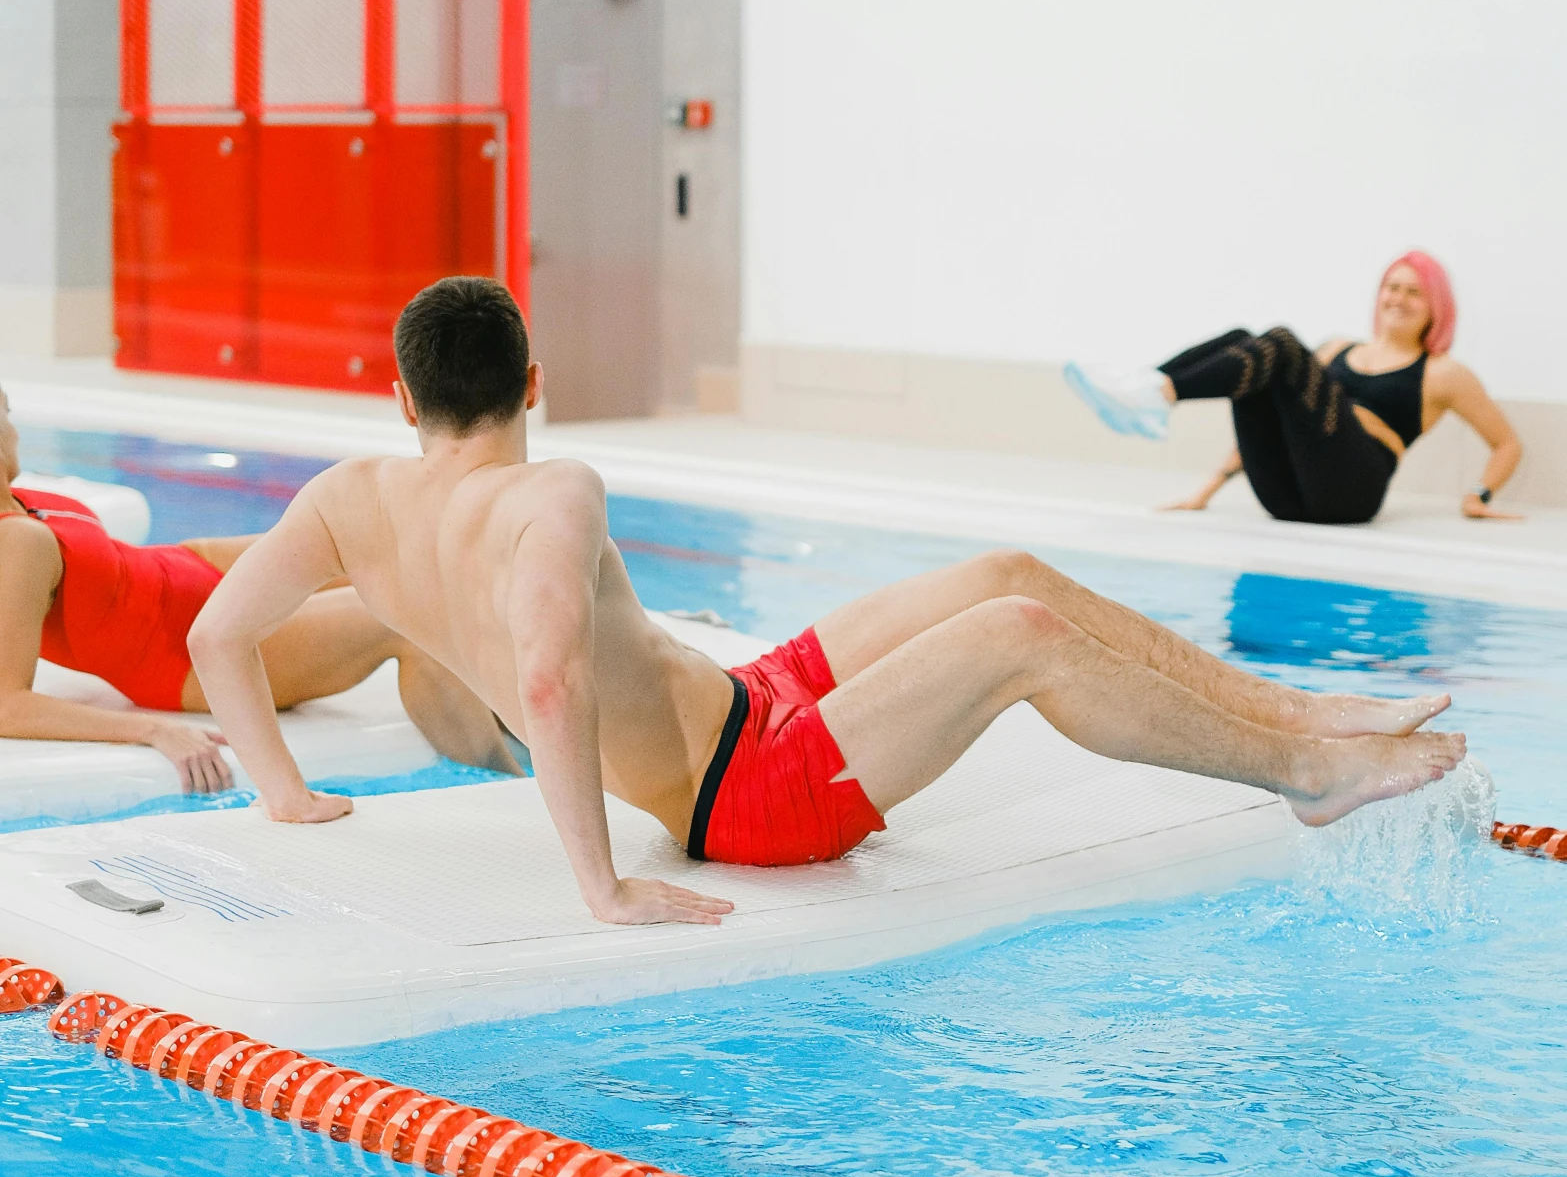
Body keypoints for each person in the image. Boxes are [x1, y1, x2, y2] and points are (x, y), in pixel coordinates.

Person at [188, 278, 1467, 932]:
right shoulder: (552, 489)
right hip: (743, 795)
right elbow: (544, 680)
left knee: (1003, 575)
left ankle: (1303, 707)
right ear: (534, 380)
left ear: (404, 401)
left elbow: (218, 634)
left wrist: (281, 789)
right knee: (1018, 640)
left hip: (750, 704)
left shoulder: (347, 498)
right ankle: (1300, 765)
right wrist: (603, 887)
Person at [0, 385, 519, 796]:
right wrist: (153, 731)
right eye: (7, 414)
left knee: (389, 551)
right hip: (183, 651)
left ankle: (519, 719)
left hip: (191, 569)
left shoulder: (27, 502)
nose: (14, 428)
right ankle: (512, 787)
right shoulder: (14, 543)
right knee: (402, 621)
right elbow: (7, 705)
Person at [1064, 253, 1522, 528]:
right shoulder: (1337, 348)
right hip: (1285, 495)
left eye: (1413, 293)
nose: (1398, 299)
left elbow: (1506, 443)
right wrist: (1206, 491)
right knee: (1249, 341)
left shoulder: (1443, 373)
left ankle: (1154, 391)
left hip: (1351, 495)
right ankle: (1147, 387)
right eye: (1392, 287)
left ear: (1435, 307)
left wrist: (1477, 497)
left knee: (1279, 342)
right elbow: (1272, 408)